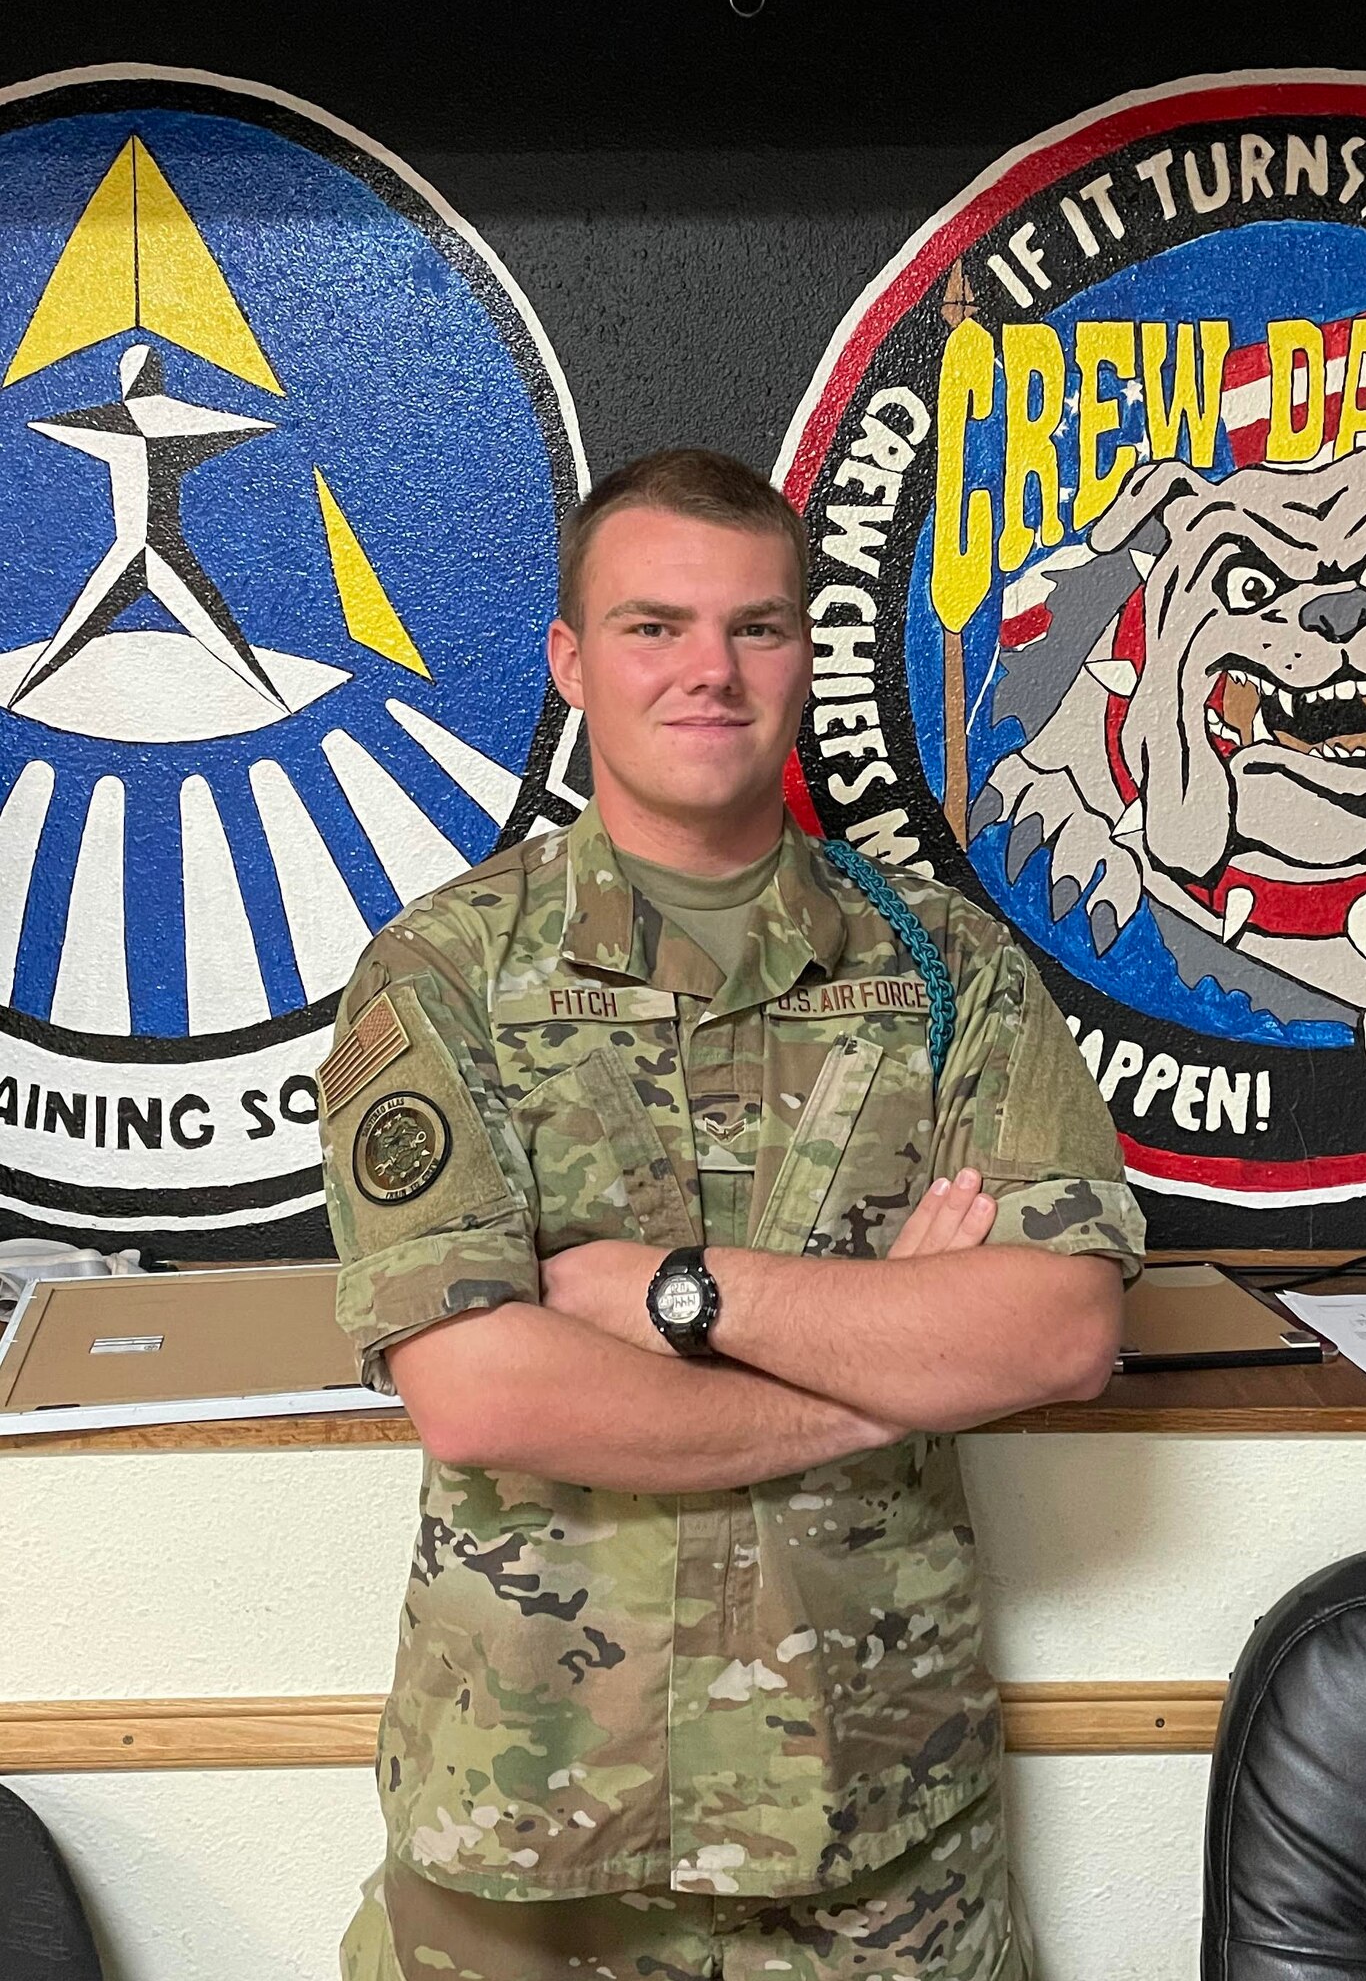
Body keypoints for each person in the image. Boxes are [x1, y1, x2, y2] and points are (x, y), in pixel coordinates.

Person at [320, 448, 1145, 1981]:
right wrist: (875, 1375)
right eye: (655, 627)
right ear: (572, 661)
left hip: (882, 1835)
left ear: (802, 657)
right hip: (529, 1847)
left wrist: (676, 1295)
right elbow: (484, 1389)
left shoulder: (950, 967)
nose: (710, 670)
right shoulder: (442, 978)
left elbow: (1058, 1330)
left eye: (756, 628)